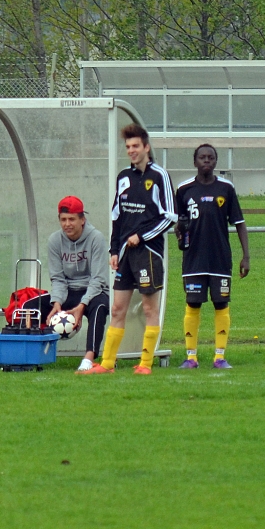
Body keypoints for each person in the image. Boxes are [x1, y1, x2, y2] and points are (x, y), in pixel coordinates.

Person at [80, 123, 175, 375]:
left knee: (148, 309)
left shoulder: (159, 176)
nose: (131, 151)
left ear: (146, 147)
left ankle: (145, 364)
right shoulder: (124, 177)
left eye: (135, 146)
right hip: (125, 254)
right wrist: (114, 250)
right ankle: (108, 364)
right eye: (128, 147)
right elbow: (116, 216)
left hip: (149, 253)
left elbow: (170, 217)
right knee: (117, 308)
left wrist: (141, 236)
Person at [174, 144, 250, 369]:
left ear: (216, 162)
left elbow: (239, 223)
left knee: (221, 303)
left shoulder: (226, 188)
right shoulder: (184, 189)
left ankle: (219, 357)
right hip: (193, 259)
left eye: (210, 158)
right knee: (193, 304)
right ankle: (191, 357)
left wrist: (246, 256)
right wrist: (180, 231)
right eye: (202, 157)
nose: (206, 161)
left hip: (219, 259)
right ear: (194, 161)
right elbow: (178, 223)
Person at [45, 196, 110, 373]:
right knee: (37, 304)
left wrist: (82, 305)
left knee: (99, 307)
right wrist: (56, 303)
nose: (67, 224)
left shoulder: (96, 238)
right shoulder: (54, 241)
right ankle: (36, 355)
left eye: (72, 219)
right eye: (63, 219)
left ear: (82, 219)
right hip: (67, 290)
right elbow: (58, 278)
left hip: (94, 290)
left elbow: (98, 279)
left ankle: (89, 358)